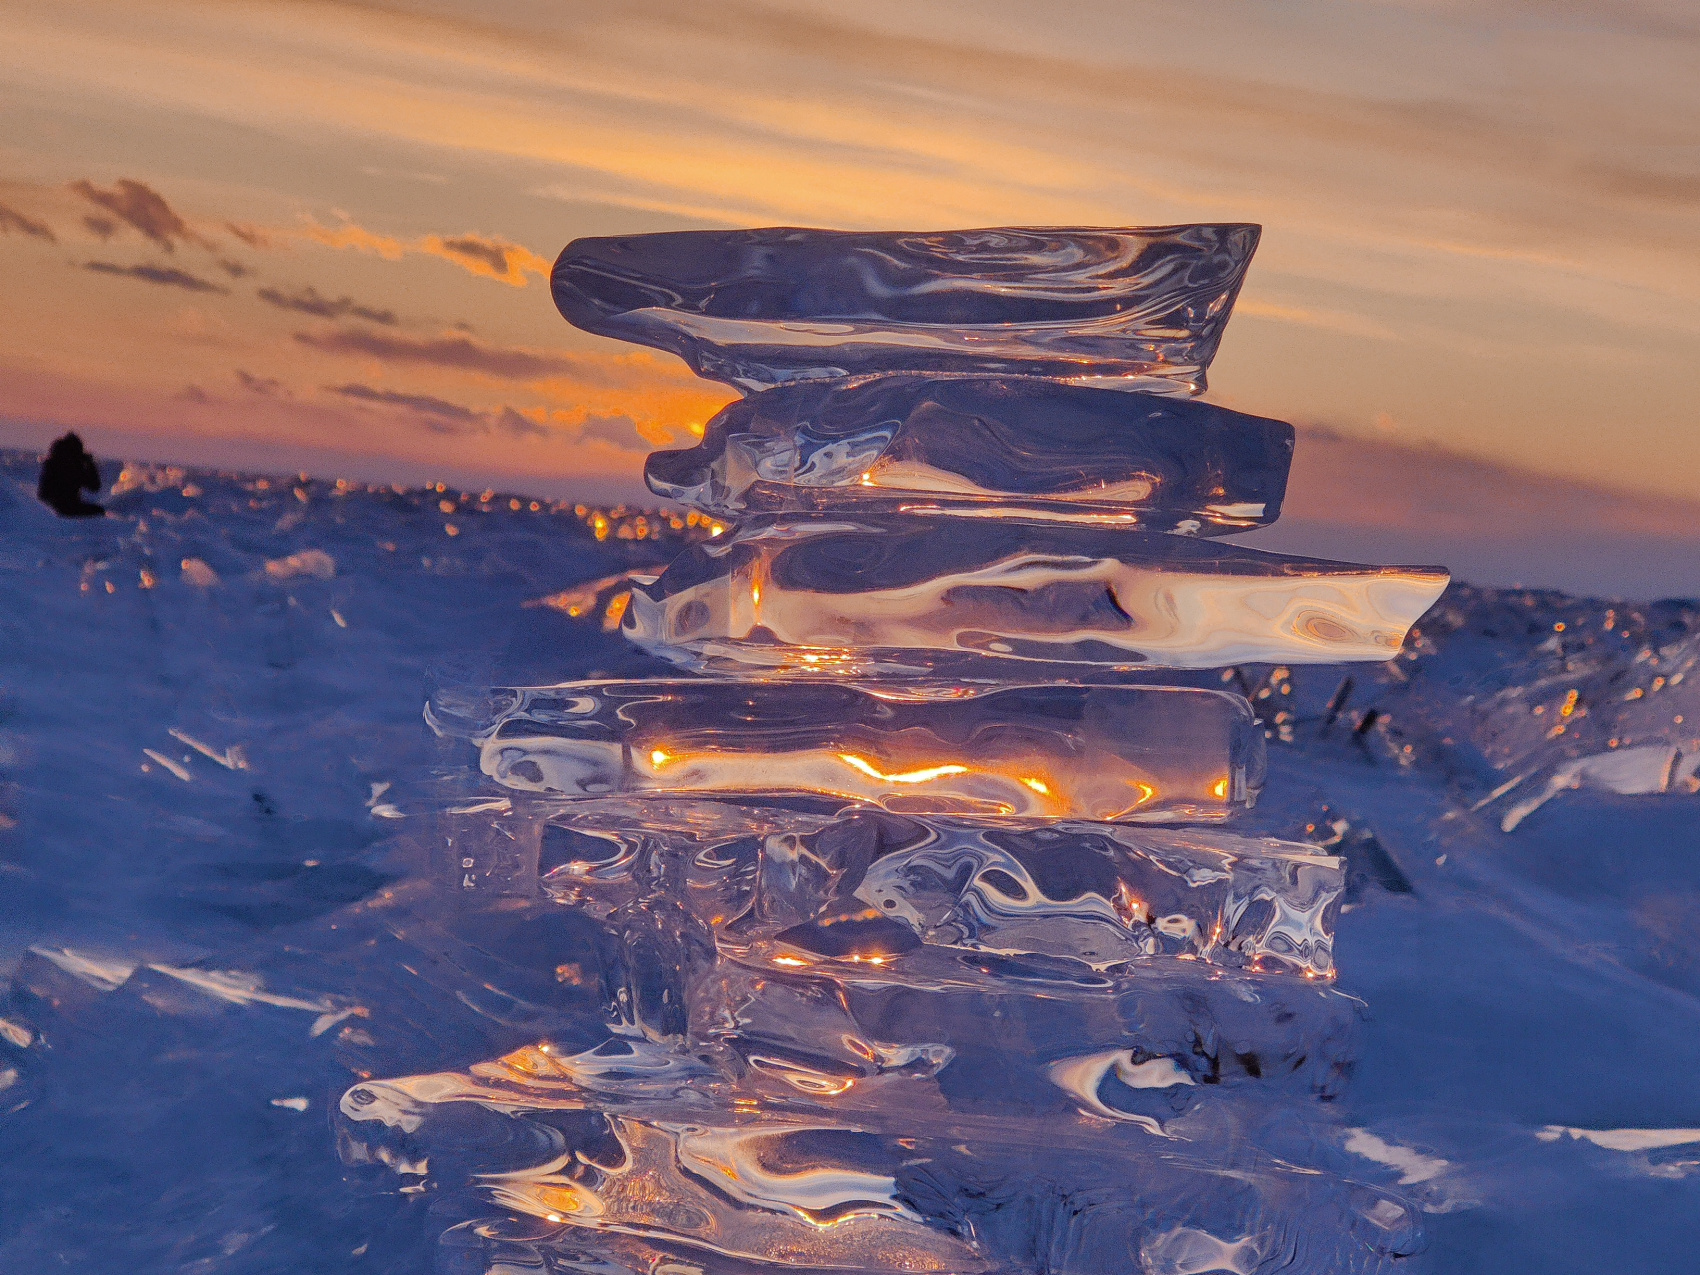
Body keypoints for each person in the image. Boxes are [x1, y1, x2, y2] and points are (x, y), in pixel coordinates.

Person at [37, 432, 105, 517]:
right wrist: (90, 464)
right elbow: (94, 486)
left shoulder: (53, 462)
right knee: (99, 511)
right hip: (64, 508)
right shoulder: (71, 466)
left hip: (50, 506)